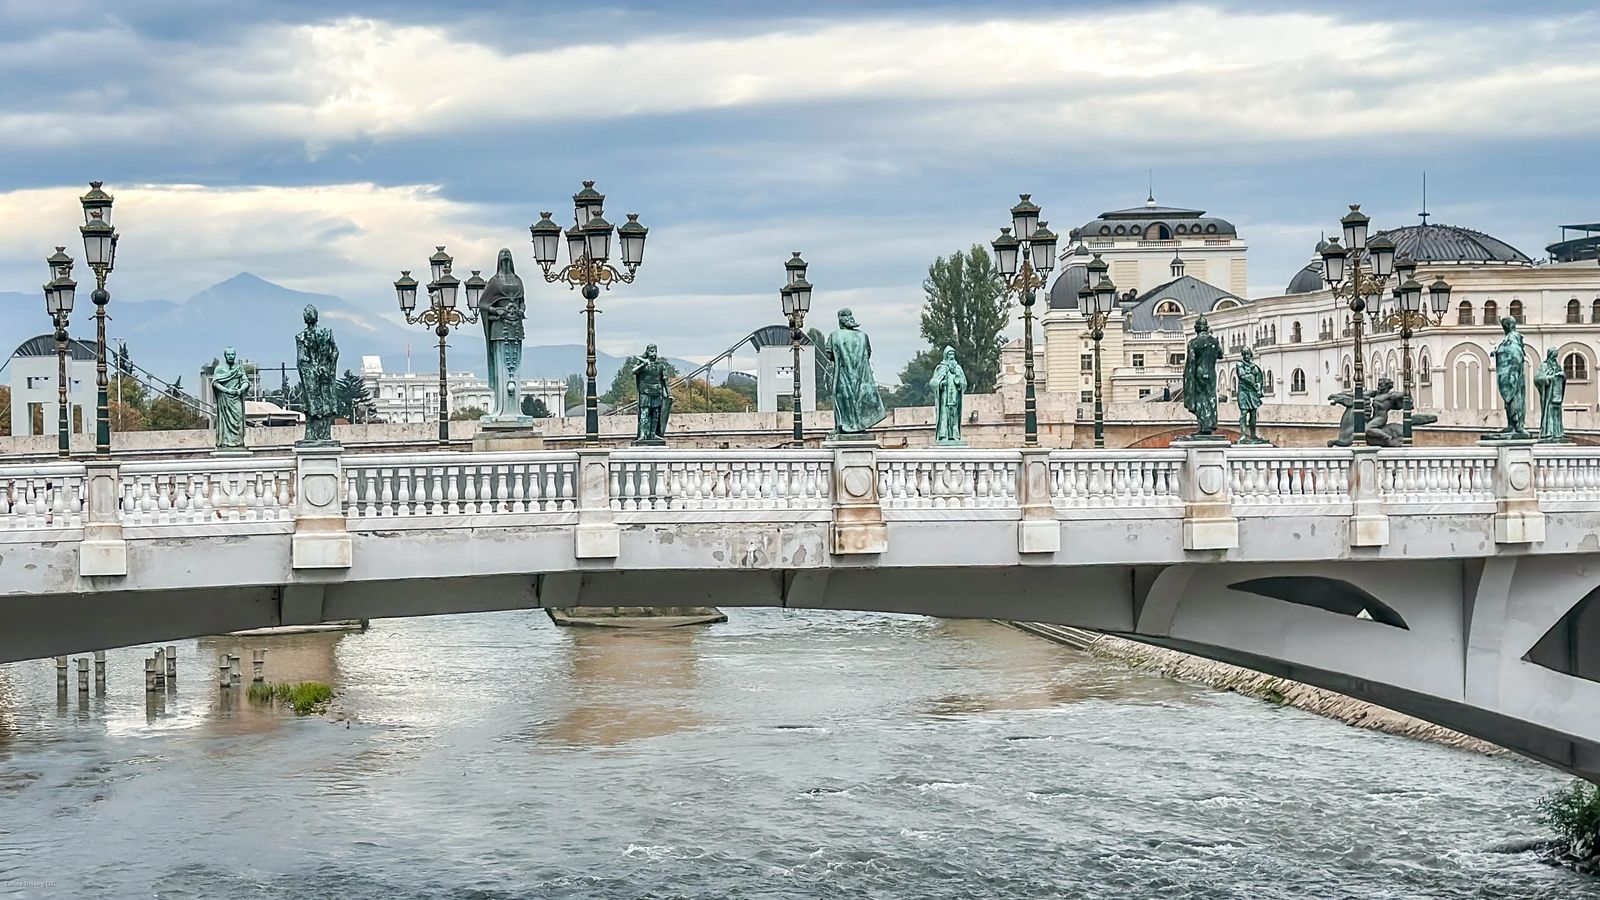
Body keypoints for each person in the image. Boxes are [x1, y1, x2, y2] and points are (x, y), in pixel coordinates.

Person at [478, 249, 527, 422]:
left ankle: (514, 409)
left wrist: (520, 311)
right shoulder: (494, 282)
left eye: (508, 258)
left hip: (516, 328)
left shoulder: (518, 280)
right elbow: (483, 304)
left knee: (514, 365)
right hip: (499, 329)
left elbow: (522, 303)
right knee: (502, 365)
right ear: (499, 261)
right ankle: (502, 408)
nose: (506, 261)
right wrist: (496, 310)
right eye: (503, 258)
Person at [823, 308, 887, 436]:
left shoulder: (834, 335)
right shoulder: (863, 336)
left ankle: (842, 426)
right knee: (859, 399)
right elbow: (868, 354)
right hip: (861, 376)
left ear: (840, 321)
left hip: (842, 374)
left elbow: (829, 355)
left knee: (842, 400)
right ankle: (860, 425)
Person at [295, 304, 340, 444]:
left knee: (321, 405)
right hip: (317, 376)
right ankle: (316, 434)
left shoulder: (324, 333)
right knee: (315, 405)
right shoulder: (302, 337)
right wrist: (327, 368)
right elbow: (335, 352)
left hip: (319, 376)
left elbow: (334, 351)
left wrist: (328, 368)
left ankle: (321, 434)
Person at [1182, 317, 1223, 436]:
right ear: (1206, 328)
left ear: (1196, 329)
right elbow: (1220, 355)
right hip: (1211, 373)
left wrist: (1188, 379)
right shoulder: (1214, 342)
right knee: (1211, 399)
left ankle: (1203, 426)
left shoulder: (1193, 343)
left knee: (1200, 399)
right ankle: (1210, 425)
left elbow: (1191, 362)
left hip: (1199, 373)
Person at [1490, 316, 1530, 439]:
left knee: (1515, 399)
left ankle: (1517, 426)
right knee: (1509, 401)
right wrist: (1498, 354)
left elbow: (1515, 354)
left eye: (1504, 326)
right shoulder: (1509, 339)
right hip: (1510, 374)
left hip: (1513, 375)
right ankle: (1511, 425)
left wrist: (1512, 374)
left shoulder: (1513, 338)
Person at [631, 344, 672, 445]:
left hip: (657, 391)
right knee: (644, 412)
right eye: (651, 351)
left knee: (656, 414)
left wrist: (669, 393)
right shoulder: (643, 363)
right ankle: (643, 434)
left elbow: (665, 380)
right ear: (647, 352)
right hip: (645, 391)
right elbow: (634, 371)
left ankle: (653, 434)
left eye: (655, 351)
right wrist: (643, 365)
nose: (653, 353)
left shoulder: (660, 365)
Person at [211, 347, 249, 452]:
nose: (231, 356)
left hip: (236, 397)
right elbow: (215, 382)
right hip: (224, 399)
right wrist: (226, 390)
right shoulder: (219, 368)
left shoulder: (239, 368)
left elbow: (246, 381)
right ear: (225, 355)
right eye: (229, 354)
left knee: (238, 419)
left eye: (233, 354)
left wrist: (240, 390)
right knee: (225, 422)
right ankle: (225, 442)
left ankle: (238, 442)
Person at [928, 345, 967, 446]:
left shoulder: (958, 368)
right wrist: (940, 384)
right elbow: (933, 382)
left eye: (953, 354)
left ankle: (954, 435)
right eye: (950, 354)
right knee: (944, 416)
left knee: (954, 416)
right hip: (944, 398)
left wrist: (959, 383)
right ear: (945, 355)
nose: (952, 356)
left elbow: (964, 383)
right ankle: (943, 435)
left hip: (954, 397)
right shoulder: (941, 367)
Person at [1535, 348, 1567, 443]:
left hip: (1557, 393)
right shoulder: (1544, 365)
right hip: (1548, 395)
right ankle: (1548, 432)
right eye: (1554, 355)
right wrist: (1550, 378)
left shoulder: (1558, 366)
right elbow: (1537, 378)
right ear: (1550, 355)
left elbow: (1563, 377)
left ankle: (1558, 433)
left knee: (1557, 412)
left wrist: (1562, 376)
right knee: (1548, 412)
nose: (1555, 358)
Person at [1235, 346, 1266, 444]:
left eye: (1247, 354)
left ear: (1250, 355)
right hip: (1243, 392)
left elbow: (1259, 379)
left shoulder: (1255, 367)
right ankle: (1243, 435)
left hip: (1252, 393)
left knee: (1253, 414)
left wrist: (1258, 388)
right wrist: (1253, 382)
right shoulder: (1240, 364)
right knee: (1243, 413)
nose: (1246, 356)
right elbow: (1242, 376)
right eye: (1244, 354)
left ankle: (1253, 435)